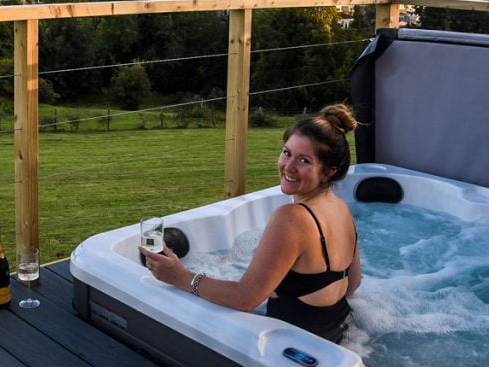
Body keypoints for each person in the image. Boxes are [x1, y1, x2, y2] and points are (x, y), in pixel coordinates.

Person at [140, 104, 362, 343]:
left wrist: (179, 276)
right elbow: (353, 283)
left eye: (304, 160)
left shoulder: (293, 217)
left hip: (296, 353)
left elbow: (244, 299)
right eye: (287, 153)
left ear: (329, 171)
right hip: (342, 336)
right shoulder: (340, 208)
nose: (288, 166)